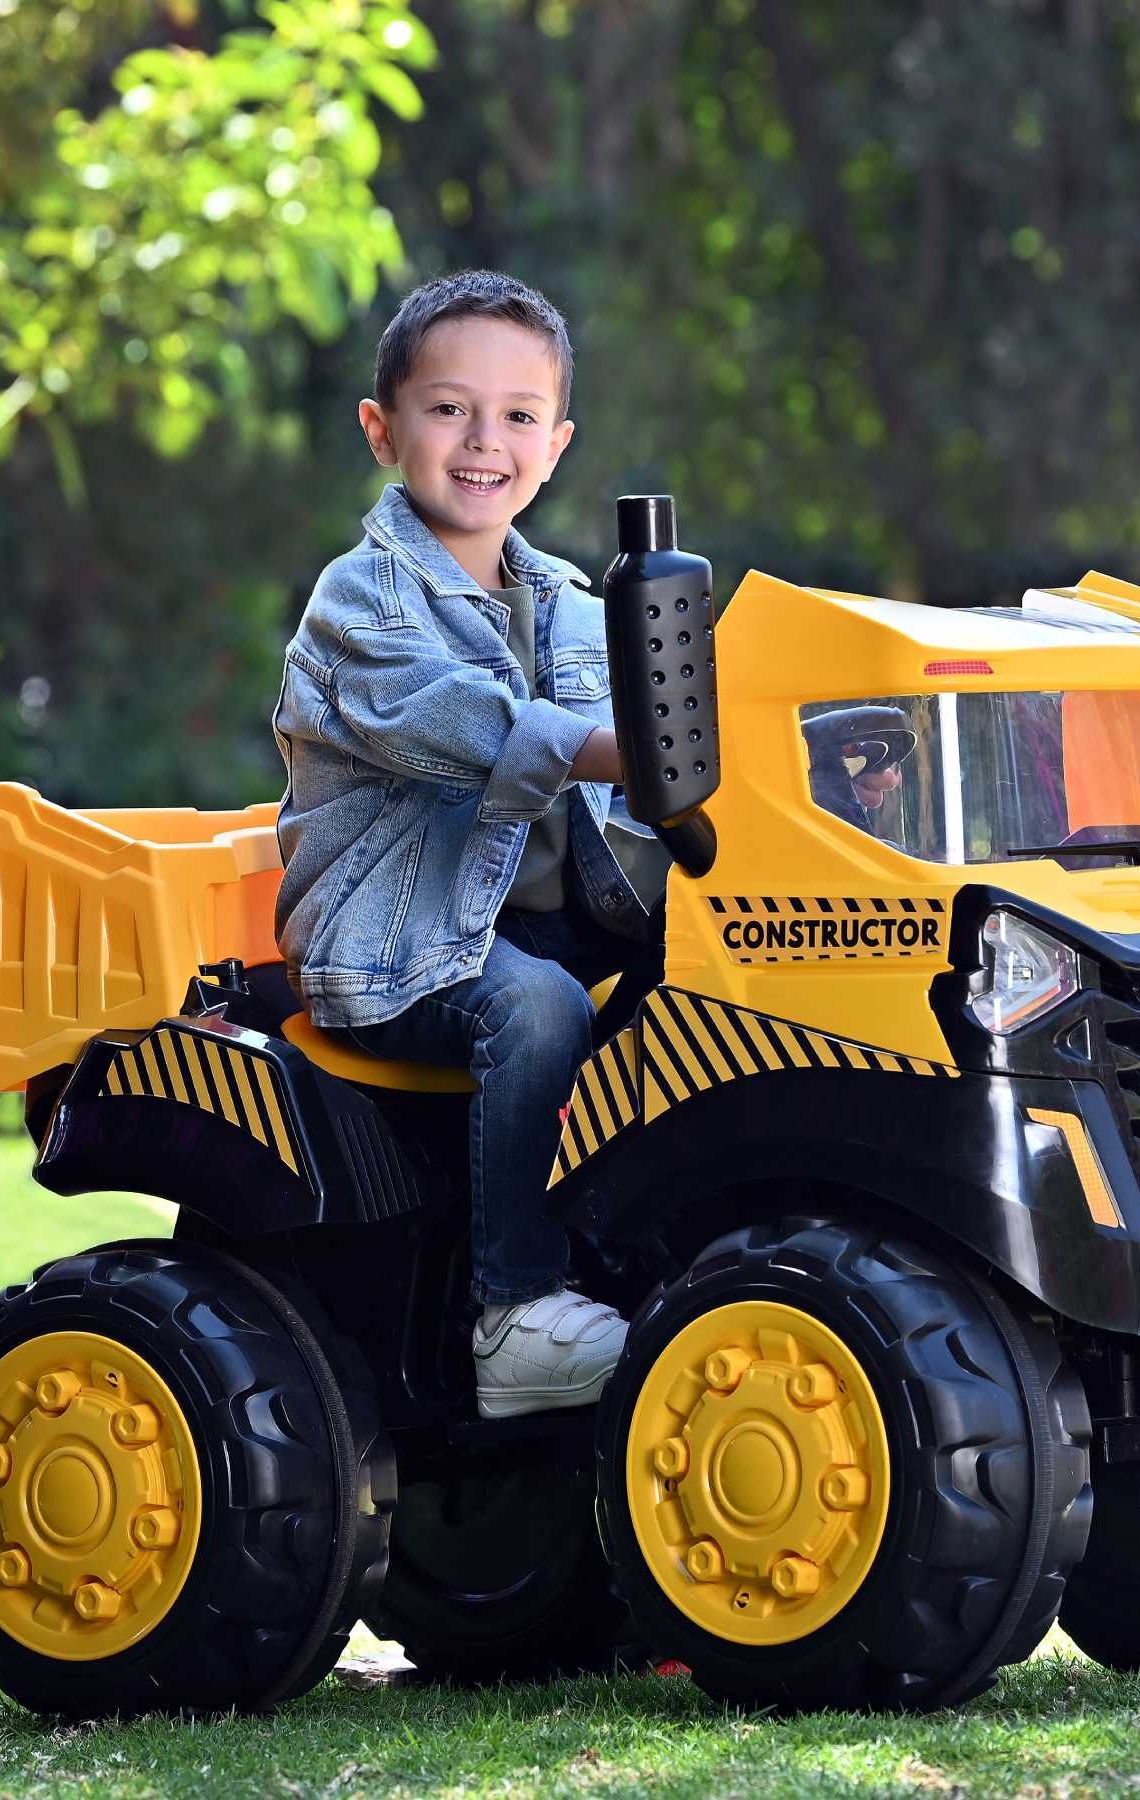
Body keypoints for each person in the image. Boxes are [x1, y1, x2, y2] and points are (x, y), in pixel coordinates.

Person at [270, 271, 658, 1418]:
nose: (486, 440)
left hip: (539, 923)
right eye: (449, 409)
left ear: (558, 444)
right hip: (397, 945)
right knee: (534, 1008)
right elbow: (468, 727)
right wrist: (639, 751)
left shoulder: (576, 603)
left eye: (519, 415)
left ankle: (652, 1247)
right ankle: (514, 1312)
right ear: (382, 429)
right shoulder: (362, 603)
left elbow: (668, 733)